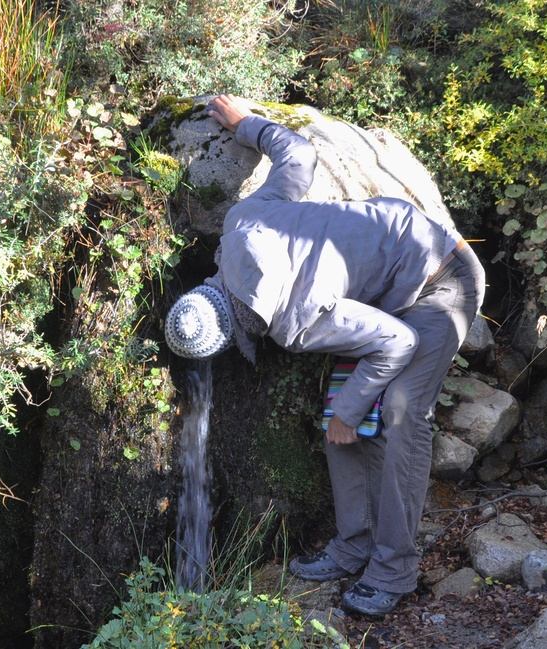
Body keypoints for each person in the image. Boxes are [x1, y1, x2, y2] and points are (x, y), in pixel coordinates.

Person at [164, 95, 485, 616]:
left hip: (440, 282)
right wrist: (248, 125)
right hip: (376, 297)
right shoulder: (244, 220)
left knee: (400, 415)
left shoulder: (297, 322)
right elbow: (297, 155)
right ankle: (352, 546)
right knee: (341, 421)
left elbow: (397, 343)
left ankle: (393, 571)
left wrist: (351, 410)